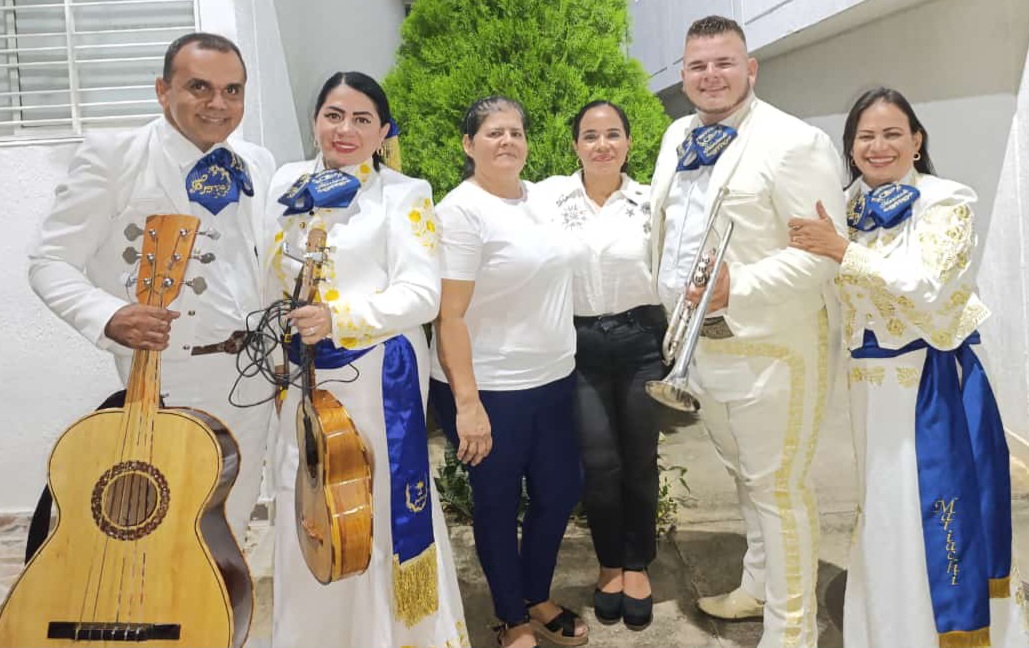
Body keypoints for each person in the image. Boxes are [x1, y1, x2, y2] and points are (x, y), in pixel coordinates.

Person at [788, 87, 1029, 648]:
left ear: (916, 141)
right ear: (849, 148)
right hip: (869, 390)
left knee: (936, 513)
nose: (878, 146)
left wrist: (842, 251)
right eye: (865, 136)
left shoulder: (947, 201)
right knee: (883, 513)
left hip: (931, 383)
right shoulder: (840, 207)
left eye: (892, 133)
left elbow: (927, 288)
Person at [28, 32, 276, 541]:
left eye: (233, 90)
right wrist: (109, 316)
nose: (218, 103)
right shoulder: (115, 155)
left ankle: (222, 624)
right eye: (199, 87)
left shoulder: (257, 162)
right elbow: (50, 261)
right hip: (165, 378)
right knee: (159, 540)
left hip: (251, 380)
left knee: (228, 536)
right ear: (163, 91)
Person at [648, 15, 846, 648]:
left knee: (779, 491)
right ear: (683, 75)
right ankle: (758, 588)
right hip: (700, 347)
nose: (710, 76)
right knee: (744, 479)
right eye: (698, 66)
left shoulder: (796, 142)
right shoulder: (679, 133)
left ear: (751, 69)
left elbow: (819, 255)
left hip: (773, 351)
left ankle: (792, 634)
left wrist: (737, 287)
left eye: (724, 63)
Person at [264, 71, 468, 648]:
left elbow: (422, 293)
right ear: (315, 121)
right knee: (303, 497)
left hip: (374, 378)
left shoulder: (404, 193)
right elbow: (268, 274)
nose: (345, 129)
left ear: (383, 131)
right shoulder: (288, 183)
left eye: (361, 119)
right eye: (334, 115)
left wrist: (339, 316)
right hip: (301, 378)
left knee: (370, 506)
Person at [429, 96, 587, 648]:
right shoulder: (461, 212)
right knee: (497, 503)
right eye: (493, 132)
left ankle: (535, 593)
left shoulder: (540, 197)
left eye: (516, 131)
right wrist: (468, 404)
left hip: (553, 379)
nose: (507, 141)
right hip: (490, 388)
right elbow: (449, 316)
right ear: (469, 146)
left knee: (561, 487)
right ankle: (511, 616)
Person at [534, 100, 665, 631]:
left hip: (641, 340)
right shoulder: (548, 199)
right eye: (591, 136)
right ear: (575, 146)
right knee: (600, 462)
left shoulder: (652, 202)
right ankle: (610, 562)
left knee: (640, 458)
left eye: (613, 134)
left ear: (629, 144)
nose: (602, 145)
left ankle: (637, 564)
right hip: (578, 341)